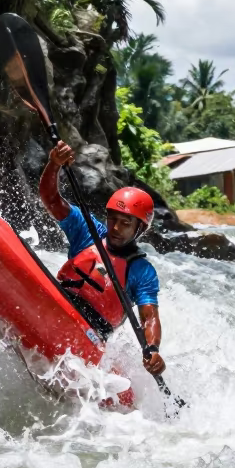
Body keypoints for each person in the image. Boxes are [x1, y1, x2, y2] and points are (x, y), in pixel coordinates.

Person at [40, 140, 166, 375]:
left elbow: (149, 318)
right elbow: (51, 199)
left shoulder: (142, 271)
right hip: (59, 303)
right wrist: (54, 164)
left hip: (91, 333)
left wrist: (152, 348)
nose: (116, 228)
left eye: (125, 223)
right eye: (112, 219)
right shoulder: (86, 229)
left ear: (140, 228)